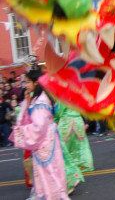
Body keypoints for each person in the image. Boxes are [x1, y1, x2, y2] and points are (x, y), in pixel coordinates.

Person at [10, 68, 69, 199]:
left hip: (44, 143)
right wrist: (27, 102)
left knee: (49, 175)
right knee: (51, 173)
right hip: (48, 141)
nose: (25, 85)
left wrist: (21, 131)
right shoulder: (40, 99)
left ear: (36, 83)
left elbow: (38, 127)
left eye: (28, 82)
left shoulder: (40, 103)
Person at [55, 102, 94, 194]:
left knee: (64, 150)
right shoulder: (77, 95)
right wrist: (86, 122)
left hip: (66, 122)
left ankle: (69, 174)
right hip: (78, 121)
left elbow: (59, 112)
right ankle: (83, 164)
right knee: (81, 146)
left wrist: (55, 119)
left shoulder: (62, 98)